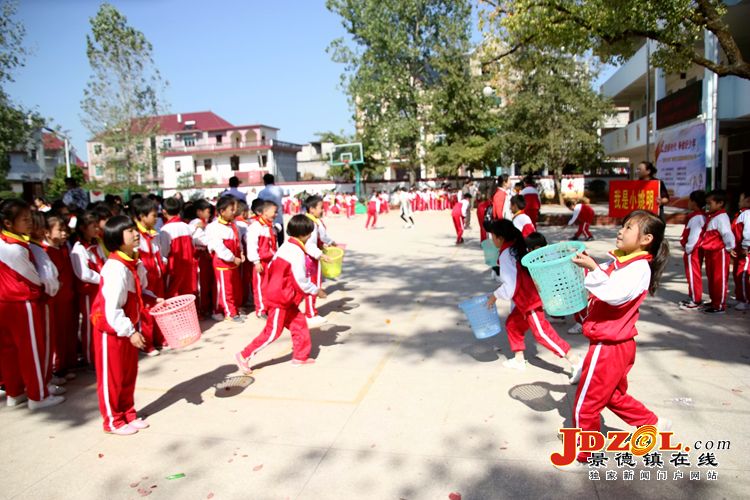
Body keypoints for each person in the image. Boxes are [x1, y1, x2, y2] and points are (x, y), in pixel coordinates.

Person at [565, 210, 671, 468]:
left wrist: (592, 270)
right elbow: (602, 277)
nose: (621, 231)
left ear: (646, 239)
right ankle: (650, 423)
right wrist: (589, 265)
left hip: (609, 346)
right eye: (622, 225)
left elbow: (614, 294)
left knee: (585, 404)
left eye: (628, 227)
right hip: (617, 345)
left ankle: (583, 453)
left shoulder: (638, 268)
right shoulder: (623, 262)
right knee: (612, 395)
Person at [486, 220, 582, 381]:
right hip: (526, 299)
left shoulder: (505, 254)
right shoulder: (513, 247)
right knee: (512, 325)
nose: (491, 239)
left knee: (542, 333)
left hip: (528, 300)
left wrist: (494, 296)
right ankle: (518, 360)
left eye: (492, 236)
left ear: (500, 238)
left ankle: (576, 361)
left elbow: (510, 285)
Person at [235, 215, 326, 374]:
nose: (311, 236)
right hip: (280, 297)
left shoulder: (286, 246)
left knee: (299, 325)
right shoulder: (296, 252)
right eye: (310, 233)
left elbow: (272, 266)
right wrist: (315, 290)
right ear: (304, 235)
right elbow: (300, 280)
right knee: (272, 332)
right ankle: (244, 355)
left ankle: (300, 356)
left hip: (285, 296)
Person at [90, 215, 156, 435]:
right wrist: (129, 331)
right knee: (113, 378)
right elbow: (112, 309)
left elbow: (139, 292)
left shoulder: (132, 262)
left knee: (128, 374)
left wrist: (153, 299)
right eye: (129, 231)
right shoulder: (115, 268)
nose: (136, 233)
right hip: (112, 331)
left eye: (134, 229)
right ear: (116, 238)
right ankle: (113, 420)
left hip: (127, 328)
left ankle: (128, 413)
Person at [0, 200, 65, 409]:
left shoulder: (8, 243)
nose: (30, 223)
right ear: (9, 223)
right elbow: (33, 278)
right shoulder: (16, 249)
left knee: (8, 350)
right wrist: (46, 287)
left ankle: (15, 392)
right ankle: (38, 396)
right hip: (23, 302)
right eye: (25, 219)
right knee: (32, 350)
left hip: (5, 302)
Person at [28, 212, 65, 396]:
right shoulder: (33, 249)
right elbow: (47, 277)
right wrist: (54, 288)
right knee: (43, 342)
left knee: (46, 341)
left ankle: (47, 377)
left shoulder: (35, 248)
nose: (41, 229)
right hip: (44, 299)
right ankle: (45, 381)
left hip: (45, 299)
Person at [43, 214, 79, 381]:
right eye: (60, 230)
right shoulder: (45, 251)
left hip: (67, 298)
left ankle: (66, 363)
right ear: (47, 233)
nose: (64, 233)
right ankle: (57, 367)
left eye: (65, 230)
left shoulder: (63, 249)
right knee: (56, 334)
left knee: (67, 331)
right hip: (55, 301)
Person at [71, 211, 107, 366]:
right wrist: (102, 279)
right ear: (83, 228)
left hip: (99, 289)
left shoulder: (96, 244)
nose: (96, 229)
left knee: (100, 322)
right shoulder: (78, 249)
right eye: (93, 226)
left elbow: (104, 261)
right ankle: (89, 357)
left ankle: (99, 354)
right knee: (89, 324)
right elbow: (83, 274)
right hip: (88, 292)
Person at [132, 197, 166, 354]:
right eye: (153, 215)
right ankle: (147, 344)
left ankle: (160, 338)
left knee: (159, 307)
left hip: (157, 276)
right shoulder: (136, 236)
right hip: (146, 278)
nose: (156, 218)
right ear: (141, 216)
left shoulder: (154, 234)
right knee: (146, 311)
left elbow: (158, 253)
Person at [206, 196, 244, 322]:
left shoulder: (234, 225)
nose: (235, 212)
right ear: (222, 211)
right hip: (223, 263)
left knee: (233, 288)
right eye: (232, 209)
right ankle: (228, 312)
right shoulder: (214, 227)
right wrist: (233, 258)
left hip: (233, 262)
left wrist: (241, 252)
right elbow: (219, 247)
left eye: (235, 209)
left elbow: (238, 241)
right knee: (224, 289)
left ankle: (233, 309)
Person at [699, 190, 735, 314]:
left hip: (719, 252)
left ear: (720, 203)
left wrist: (730, 248)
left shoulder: (721, 217)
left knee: (719, 278)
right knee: (711, 277)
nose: (708, 205)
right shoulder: (712, 216)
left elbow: (727, 234)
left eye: (710, 203)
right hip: (710, 252)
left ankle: (719, 305)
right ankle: (714, 301)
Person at [303, 195, 335, 328]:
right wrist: (320, 254)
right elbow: (309, 244)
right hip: (311, 259)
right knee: (313, 285)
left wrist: (325, 244)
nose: (322, 210)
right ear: (311, 209)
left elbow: (321, 238)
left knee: (313, 284)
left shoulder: (314, 221)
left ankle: (310, 311)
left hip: (313, 256)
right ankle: (310, 314)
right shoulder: (310, 223)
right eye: (320, 208)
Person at [245, 199, 278, 318]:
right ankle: (261, 310)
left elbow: (274, 244)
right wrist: (256, 261)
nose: (276, 214)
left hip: (271, 261)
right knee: (260, 286)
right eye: (274, 212)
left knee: (270, 285)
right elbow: (252, 245)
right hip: (261, 261)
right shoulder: (256, 226)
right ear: (264, 212)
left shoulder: (271, 226)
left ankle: (269, 306)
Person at [160, 197, 196, 298]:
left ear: (164, 211)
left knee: (173, 296)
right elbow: (192, 245)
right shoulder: (186, 227)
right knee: (187, 295)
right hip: (188, 267)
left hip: (173, 269)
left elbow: (164, 253)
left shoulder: (165, 230)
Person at [678, 190, 707, 310]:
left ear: (694, 202)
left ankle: (696, 299)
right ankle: (693, 296)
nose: (688, 203)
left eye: (690, 200)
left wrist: (689, 248)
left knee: (693, 274)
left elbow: (694, 236)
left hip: (693, 251)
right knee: (692, 274)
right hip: (694, 250)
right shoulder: (698, 216)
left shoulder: (697, 218)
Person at [186, 199, 214, 318]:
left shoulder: (203, 222)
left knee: (205, 282)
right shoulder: (195, 223)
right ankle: (201, 309)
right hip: (199, 255)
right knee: (200, 283)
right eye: (207, 211)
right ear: (199, 212)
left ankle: (205, 307)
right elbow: (201, 239)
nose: (209, 214)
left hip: (204, 255)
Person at [731, 191, 750, 311]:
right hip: (739, 250)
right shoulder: (741, 214)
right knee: (737, 274)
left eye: (741, 199)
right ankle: (740, 297)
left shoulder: (747, 214)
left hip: (745, 251)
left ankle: (745, 300)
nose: (738, 202)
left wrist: (745, 246)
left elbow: (747, 232)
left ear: (748, 201)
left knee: (742, 274)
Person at [257, 174, 287, 245]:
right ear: (273, 181)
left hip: (266, 220)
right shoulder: (279, 189)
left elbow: (259, 205)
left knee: (268, 241)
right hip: (278, 218)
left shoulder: (261, 192)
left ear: (264, 181)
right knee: (280, 241)